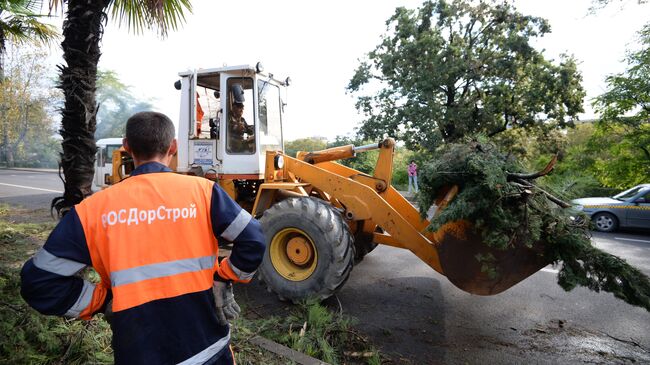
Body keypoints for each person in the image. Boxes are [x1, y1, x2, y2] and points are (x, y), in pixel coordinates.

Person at [20, 111, 266, 365]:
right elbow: (254, 239)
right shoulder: (203, 192)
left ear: (126, 147)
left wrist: (102, 301)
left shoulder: (92, 211)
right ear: (173, 147)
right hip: (208, 350)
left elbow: (39, 282)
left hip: (139, 353)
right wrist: (223, 278)